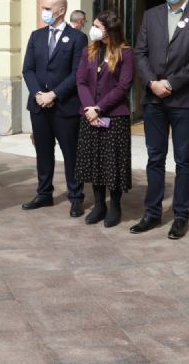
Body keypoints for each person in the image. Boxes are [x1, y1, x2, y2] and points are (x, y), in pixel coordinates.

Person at [131, 0, 189, 239]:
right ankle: (152, 213)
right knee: (155, 158)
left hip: (184, 100)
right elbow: (140, 53)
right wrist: (152, 82)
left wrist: (172, 82)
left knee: (183, 159)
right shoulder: (151, 15)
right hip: (154, 98)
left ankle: (180, 215)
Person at [21, 0, 89, 217]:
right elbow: (28, 69)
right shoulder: (36, 36)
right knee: (43, 152)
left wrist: (54, 94)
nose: (44, 11)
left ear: (61, 11)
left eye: (48, 8)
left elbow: (77, 72)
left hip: (65, 106)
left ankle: (76, 197)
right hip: (39, 105)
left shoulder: (77, 38)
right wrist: (38, 93)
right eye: (43, 7)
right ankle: (44, 193)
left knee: (71, 153)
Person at [75, 11, 133, 226]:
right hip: (89, 115)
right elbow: (80, 81)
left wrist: (99, 108)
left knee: (113, 163)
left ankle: (115, 206)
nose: (93, 28)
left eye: (98, 25)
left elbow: (123, 86)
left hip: (114, 116)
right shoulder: (88, 51)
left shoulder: (125, 53)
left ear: (109, 30)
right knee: (94, 162)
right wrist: (90, 108)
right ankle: (99, 205)